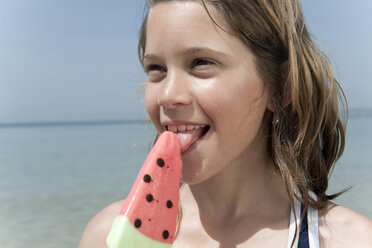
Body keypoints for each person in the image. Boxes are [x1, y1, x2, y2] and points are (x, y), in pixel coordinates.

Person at [79, 0, 372, 247]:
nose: (167, 96)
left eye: (201, 63)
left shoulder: (350, 240)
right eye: (156, 68)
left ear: (281, 86)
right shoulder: (105, 236)